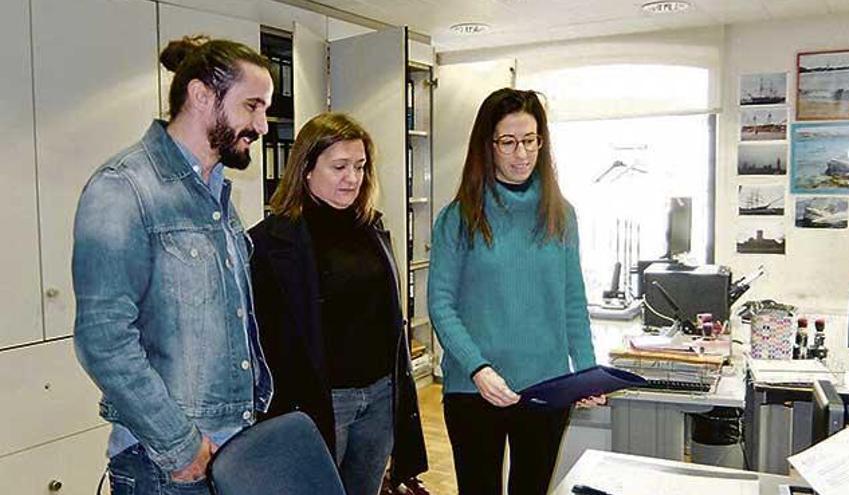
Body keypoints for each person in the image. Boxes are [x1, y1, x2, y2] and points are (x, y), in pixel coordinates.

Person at [72, 36, 276, 494]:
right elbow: (102, 337)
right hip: (166, 463)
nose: (261, 125)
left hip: (231, 450)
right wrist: (180, 445)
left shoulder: (218, 195)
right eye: (252, 106)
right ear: (202, 96)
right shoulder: (123, 187)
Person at [427, 88, 605, 495]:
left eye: (530, 140)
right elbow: (440, 304)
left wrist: (588, 370)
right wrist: (477, 367)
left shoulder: (561, 214)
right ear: (486, 146)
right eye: (508, 142)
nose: (521, 154)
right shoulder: (457, 218)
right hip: (475, 389)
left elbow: (572, 301)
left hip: (546, 387)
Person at [249, 112, 428, 495]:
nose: (352, 178)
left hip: (380, 398)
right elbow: (264, 342)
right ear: (306, 169)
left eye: (360, 167)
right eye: (340, 167)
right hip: (320, 403)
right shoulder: (268, 242)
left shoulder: (372, 228)